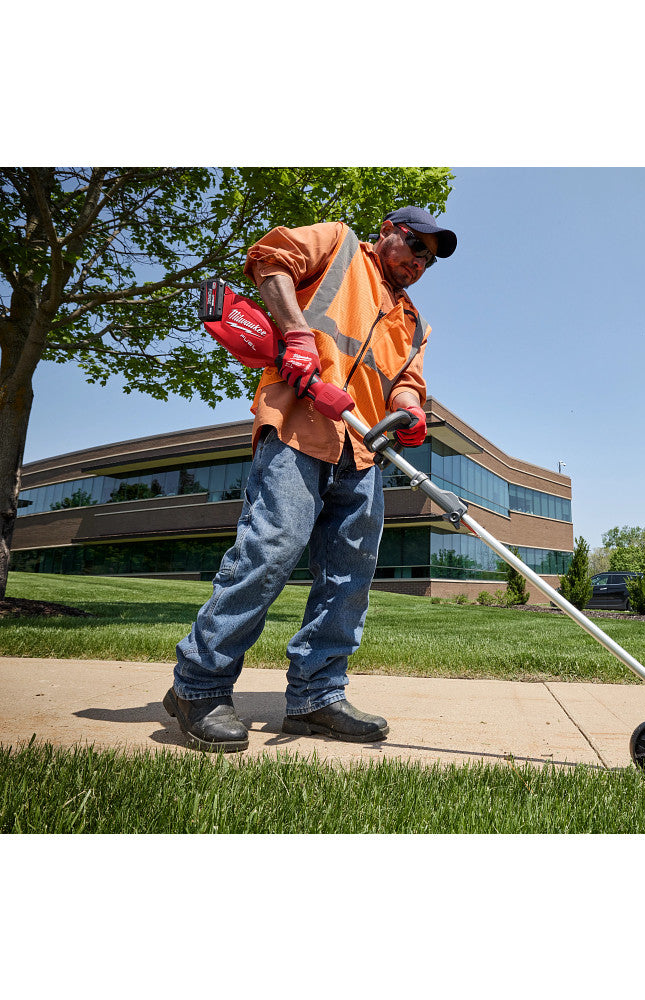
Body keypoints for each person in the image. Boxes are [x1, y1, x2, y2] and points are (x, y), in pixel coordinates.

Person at [163, 206, 458, 752]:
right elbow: (269, 260)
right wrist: (296, 335)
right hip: (299, 427)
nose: (420, 262)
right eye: (416, 245)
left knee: (349, 576)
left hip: (363, 452)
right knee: (272, 550)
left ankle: (316, 698)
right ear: (387, 230)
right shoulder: (339, 243)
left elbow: (408, 381)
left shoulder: (415, 322)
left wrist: (410, 409)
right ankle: (198, 686)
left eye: (430, 259)